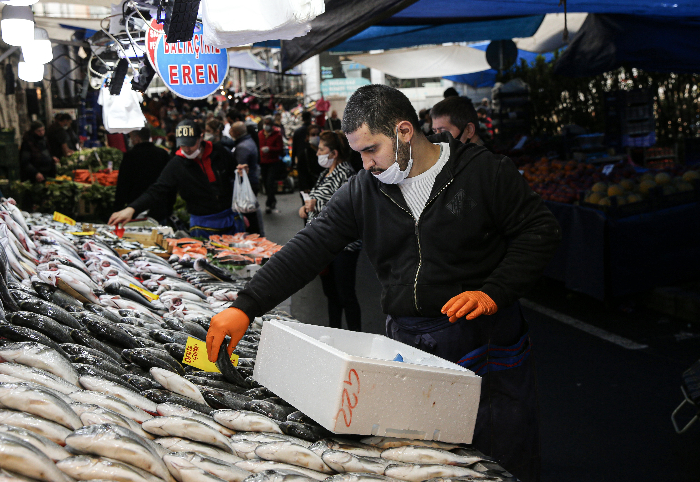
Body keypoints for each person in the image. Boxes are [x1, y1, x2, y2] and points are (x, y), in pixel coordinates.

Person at [205, 84, 561, 482]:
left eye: (372, 149)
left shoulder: (485, 172)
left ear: (404, 131)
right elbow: (311, 245)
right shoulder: (363, 189)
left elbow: (539, 232)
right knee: (419, 456)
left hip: (484, 339)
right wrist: (246, 305)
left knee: (499, 447)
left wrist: (494, 291)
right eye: (358, 153)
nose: (366, 164)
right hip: (408, 341)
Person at [108, 120, 247, 238]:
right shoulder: (177, 164)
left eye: (191, 144)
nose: (187, 149)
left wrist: (242, 173)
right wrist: (132, 208)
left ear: (201, 137)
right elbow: (157, 189)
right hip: (202, 223)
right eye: (183, 144)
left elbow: (234, 173)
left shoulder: (219, 152)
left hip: (230, 218)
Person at [299, 130, 361, 330]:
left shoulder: (346, 173)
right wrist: (306, 207)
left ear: (334, 153)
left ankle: (356, 336)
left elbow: (345, 207)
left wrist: (314, 206)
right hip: (324, 244)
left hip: (343, 245)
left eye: (321, 149)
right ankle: (335, 332)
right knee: (331, 294)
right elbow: (317, 198)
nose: (317, 153)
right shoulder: (325, 174)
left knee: (345, 294)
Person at [113, 127, 171, 221]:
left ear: (137, 138)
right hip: (159, 207)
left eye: (131, 137)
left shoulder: (130, 156)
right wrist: (169, 208)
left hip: (135, 207)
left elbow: (123, 184)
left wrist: (118, 208)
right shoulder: (163, 154)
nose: (131, 140)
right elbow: (170, 182)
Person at [230, 121, 263, 235]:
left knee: (249, 214)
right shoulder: (249, 141)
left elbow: (241, 169)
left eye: (232, 130)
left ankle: (255, 237)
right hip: (253, 180)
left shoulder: (242, 147)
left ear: (237, 132)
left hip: (249, 182)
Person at [258, 116, 284, 214]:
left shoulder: (277, 135)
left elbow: (280, 149)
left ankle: (269, 203)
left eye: (268, 123)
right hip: (263, 162)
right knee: (265, 183)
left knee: (270, 182)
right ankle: (272, 201)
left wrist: (269, 149)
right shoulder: (260, 134)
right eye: (265, 123)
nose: (266, 125)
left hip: (273, 162)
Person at [292, 111, 311, 189]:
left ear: (302, 119)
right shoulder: (316, 130)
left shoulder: (297, 132)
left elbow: (294, 147)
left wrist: (293, 161)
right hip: (312, 159)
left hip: (300, 159)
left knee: (303, 181)